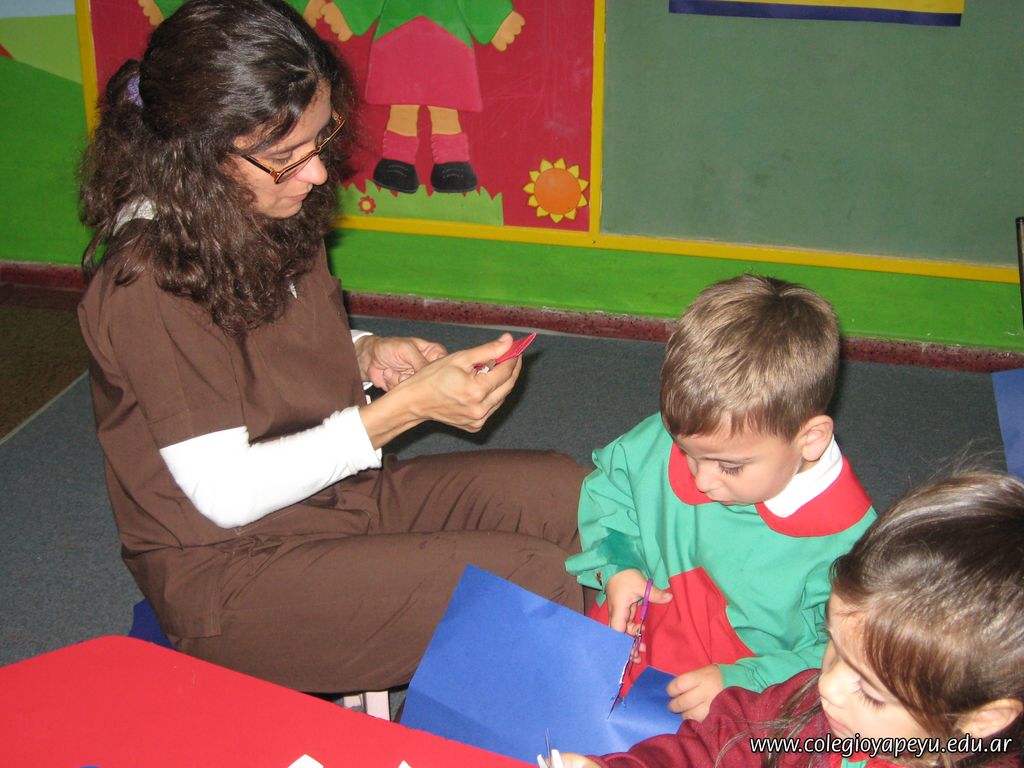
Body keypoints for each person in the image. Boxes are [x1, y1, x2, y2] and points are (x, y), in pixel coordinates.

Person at [77, 0, 587, 695]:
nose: (316, 173)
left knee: (570, 495)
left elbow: (255, 339)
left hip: (333, 500)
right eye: (283, 157)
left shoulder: (268, 204)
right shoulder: (151, 280)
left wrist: (366, 351)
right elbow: (226, 493)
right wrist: (403, 411)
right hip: (229, 574)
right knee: (528, 584)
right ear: (195, 155)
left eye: (320, 139)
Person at [565, 274, 876, 721]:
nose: (701, 480)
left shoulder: (851, 545)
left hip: (730, 702)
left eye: (730, 467)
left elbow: (847, 658)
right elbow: (613, 492)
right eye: (686, 453)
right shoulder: (688, 436)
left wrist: (745, 682)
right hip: (633, 642)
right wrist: (618, 567)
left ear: (810, 439)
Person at [558, 471, 1024, 768]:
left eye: (871, 692)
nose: (827, 685)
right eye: (833, 644)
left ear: (981, 721)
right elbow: (721, 743)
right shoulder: (813, 711)